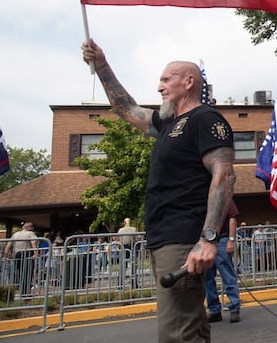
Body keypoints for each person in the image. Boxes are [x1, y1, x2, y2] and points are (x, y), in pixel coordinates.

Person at [82, 39, 235, 343]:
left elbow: (224, 176)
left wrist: (207, 240)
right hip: (165, 236)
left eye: (166, 79)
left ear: (188, 82)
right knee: (189, 329)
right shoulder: (168, 122)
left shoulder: (205, 119)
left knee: (176, 333)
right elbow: (126, 108)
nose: (159, 87)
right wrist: (101, 65)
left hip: (182, 237)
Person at [205, 199, 241, 323]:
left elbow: (232, 217)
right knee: (207, 278)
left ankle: (234, 308)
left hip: (222, 239)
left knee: (227, 275)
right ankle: (214, 310)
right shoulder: (200, 196)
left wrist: (231, 239)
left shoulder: (223, 195)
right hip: (205, 241)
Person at [4, 222, 38, 297]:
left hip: (17, 254)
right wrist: (36, 253)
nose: (33, 228)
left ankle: (23, 291)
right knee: (28, 272)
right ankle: (26, 291)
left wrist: (6, 255)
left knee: (21, 273)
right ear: (29, 227)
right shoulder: (30, 233)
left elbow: (8, 245)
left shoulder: (15, 234)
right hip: (27, 253)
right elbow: (34, 243)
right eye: (32, 227)